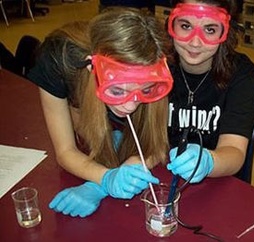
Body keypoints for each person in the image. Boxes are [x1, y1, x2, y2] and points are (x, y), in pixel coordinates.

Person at [27, 7, 173, 217]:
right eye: (117, 90)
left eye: (146, 89)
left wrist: (131, 167)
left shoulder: (157, 65)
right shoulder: (59, 60)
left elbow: (154, 144)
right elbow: (65, 150)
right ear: (91, 68)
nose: (130, 106)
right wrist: (105, 178)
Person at [166, 0, 254, 183]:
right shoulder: (154, 66)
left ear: (225, 32)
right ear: (171, 24)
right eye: (185, 26)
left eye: (210, 30)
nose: (195, 42)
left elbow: (234, 150)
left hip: (218, 182)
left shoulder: (241, 74)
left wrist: (208, 161)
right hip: (160, 180)